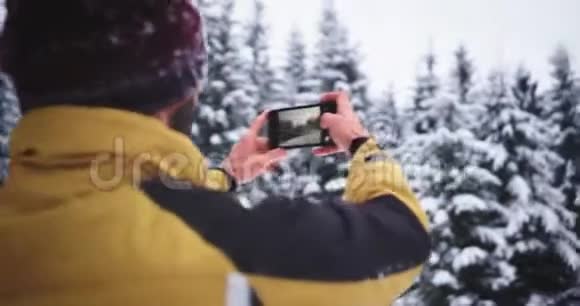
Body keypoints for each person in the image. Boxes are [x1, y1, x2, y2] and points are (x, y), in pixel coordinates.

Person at [0, 1, 430, 306]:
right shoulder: (225, 248)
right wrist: (360, 144)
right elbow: (402, 235)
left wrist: (227, 176)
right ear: (180, 91)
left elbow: (137, 203)